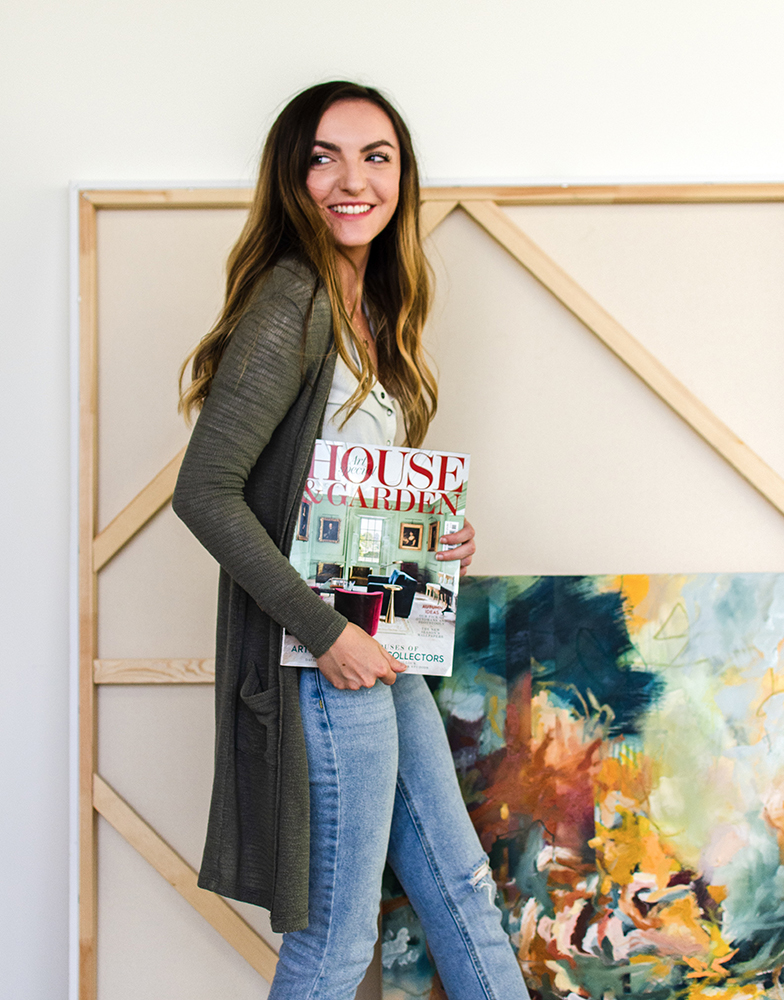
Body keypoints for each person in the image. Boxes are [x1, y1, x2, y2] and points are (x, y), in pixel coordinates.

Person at [173, 81, 529, 1000]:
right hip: (322, 657)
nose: (351, 179)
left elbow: (334, 497)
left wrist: (429, 545)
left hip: (383, 646)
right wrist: (327, 634)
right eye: (325, 155)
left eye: (377, 156)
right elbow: (205, 492)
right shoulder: (291, 300)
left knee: (461, 892)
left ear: (401, 177)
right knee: (336, 941)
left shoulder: (376, 308)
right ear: (294, 175)